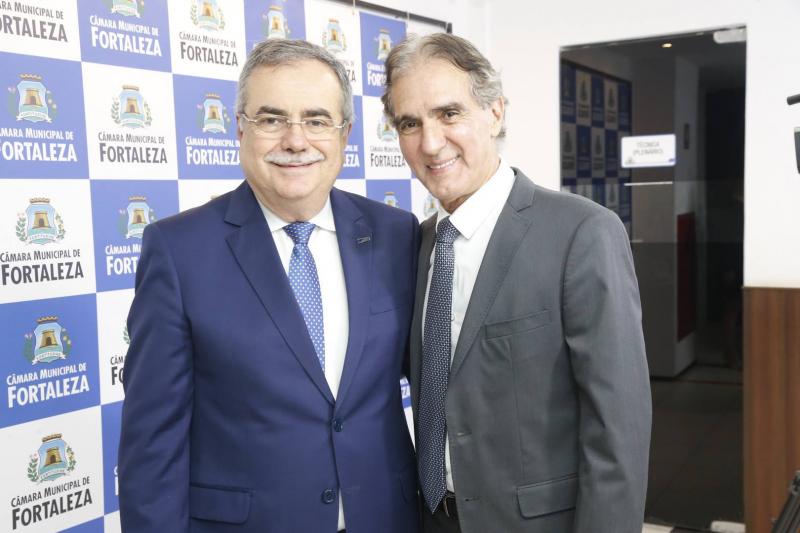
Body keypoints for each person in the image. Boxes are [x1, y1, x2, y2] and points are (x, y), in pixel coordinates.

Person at [119, 39, 420, 533]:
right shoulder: (178, 251)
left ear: (345, 134)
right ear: (240, 128)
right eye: (272, 119)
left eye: (317, 120)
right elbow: (152, 445)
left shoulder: (395, 233)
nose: (296, 140)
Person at [382, 33, 651, 533]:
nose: (430, 143)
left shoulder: (582, 232)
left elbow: (618, 428)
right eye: (410, 123)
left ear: (495, 112)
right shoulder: (416, 244)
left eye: (449, 113)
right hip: (430, 519)